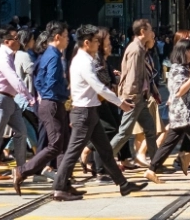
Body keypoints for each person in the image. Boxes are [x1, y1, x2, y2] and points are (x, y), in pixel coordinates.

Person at [52, 25, 145, 201]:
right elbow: (99, 87)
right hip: (84, 113)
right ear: (86, 43)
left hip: (89, 112)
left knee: (106, 151)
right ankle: (59, 188)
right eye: (95, 41)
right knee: (72, 152)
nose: (98, 44)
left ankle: (123, 185)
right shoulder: (84, 62)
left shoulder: (85, 58)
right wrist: (120, 103)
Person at [144, 38, 190, 186]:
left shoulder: (184, 68)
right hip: (186, 114)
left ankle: (151, 169)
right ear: (185, 52)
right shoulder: (178, 69)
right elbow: (179, 91)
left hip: (183, 114)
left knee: (169, 144)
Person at [13, 22, 72, 194]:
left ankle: (63, 184)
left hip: (51, 102)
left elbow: (38, 79)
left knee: (64, 145)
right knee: (55, 145)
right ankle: (21, 171)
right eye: (66, 36)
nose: (68, 40)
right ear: (57, 37)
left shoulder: (47, 54)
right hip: (53, 103)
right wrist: (63, 92)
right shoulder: (54, 57)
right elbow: (51, 82)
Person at [0, 26, 34, 181]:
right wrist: (29, 96)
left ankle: (21, 168)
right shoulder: (2, 55)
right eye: (16, 38)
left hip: (9, 99)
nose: (19, 41)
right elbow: (13, 77)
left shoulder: (9, 55)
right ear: (7, 41)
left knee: (21, 131)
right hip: (1, 98)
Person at [111, 19, 159, 165]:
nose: (152, 34)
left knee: (150, 129)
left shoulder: (140, 48)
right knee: (124, 133)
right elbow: (132, 75)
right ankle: (104, 159)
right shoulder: (136, 49)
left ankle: (156, 163)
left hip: (141, 97)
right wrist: (132, 97)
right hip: (134, 97)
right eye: (150, 30)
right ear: (143, 31)